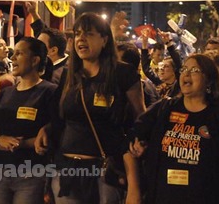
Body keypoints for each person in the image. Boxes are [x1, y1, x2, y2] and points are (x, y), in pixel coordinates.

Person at [35, 12, 145, 204]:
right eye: (77, 34)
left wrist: (135, 179)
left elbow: (140, 119)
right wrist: (47, 129)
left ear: (104, 40)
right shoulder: (69, 75)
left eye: (88, 34)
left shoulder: (123, 73)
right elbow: (62, 118)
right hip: (67, 170)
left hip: (105, 171)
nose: (81, 39)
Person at [124, 53, 219, 204]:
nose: (186, 73)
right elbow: (129, 141)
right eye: (184, 69)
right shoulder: (165, 109)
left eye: (194, 70)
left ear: (209, 80)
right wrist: (134, 190)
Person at [0, 37, 56, 204]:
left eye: (19, 54)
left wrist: (20, 144)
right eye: (13, 54)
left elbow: (53, 134)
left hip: (30, 174)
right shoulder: (5, 93)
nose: (13, 58)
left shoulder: (49, 92)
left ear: (35, 60)